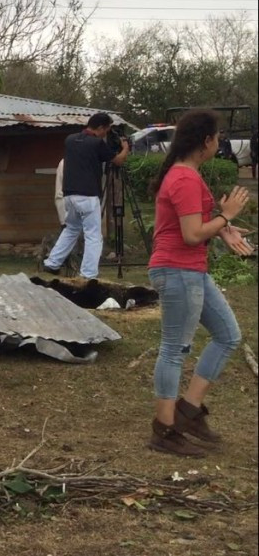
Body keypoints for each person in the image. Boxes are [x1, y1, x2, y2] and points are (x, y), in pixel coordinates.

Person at [145, 109, 252, 457]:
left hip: (191, 270)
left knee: (228, 335)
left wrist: (224, 229)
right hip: (178, 269)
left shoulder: (189, 175)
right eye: (218, 137)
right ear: (206, 141)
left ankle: (188, 411)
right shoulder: (185, 179)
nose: (219, 142)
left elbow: (192, 225)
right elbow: (191, 234)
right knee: (174, 348)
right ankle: (164, 429)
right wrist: (226, 215)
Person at [42, 112, 131, 279]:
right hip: (88, 195)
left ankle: (52, 263)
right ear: (100, 128)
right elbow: (118, 160)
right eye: (107, 129)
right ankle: (88, 274)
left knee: (71, 229)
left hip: (69, 194)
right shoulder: (96, 143)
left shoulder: (70, 140)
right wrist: (125, 148)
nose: (107, 133)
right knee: (93, 236)